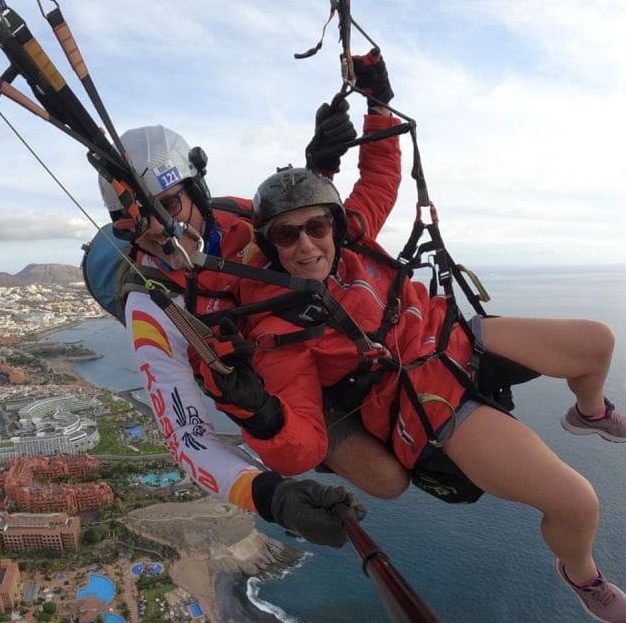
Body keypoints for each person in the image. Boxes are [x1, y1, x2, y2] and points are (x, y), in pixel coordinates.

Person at [199, 92, 626, 621]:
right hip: (426, 399)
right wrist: (262, 416)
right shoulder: (281, 325)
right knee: (577, 503)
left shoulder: (354, 241)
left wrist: (378, 104)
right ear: (271, 247)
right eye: (287, 236)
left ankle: (589, 412)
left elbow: (380, 180)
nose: (306, 245)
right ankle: (580, 571)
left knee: (597, 342)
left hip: (457, 338)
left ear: (334, 226)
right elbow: (301, 444)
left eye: (316, 227)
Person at [94, 51, 403, 545]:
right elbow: (186, 435)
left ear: (196, 188)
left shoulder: (239, 216)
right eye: (132, 223)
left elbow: (308, 237)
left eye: (169, 204)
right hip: (275, 398)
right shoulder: (152, 306)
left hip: (321, 345)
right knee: (387, 479)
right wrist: (270, 496)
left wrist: (320, 169)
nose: (157, 229)